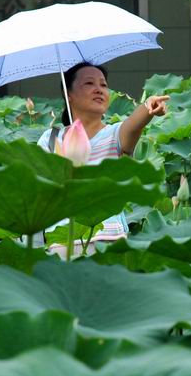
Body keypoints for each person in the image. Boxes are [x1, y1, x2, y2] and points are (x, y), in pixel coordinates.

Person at [36, 62, 169, 255]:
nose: (99, 89)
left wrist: (148, 107)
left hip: (109, 242)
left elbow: (133, 125)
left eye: (103, 85)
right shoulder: (51, 139)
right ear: (69, 95)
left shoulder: (115, 135)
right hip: (62, 244)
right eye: (89, 83)